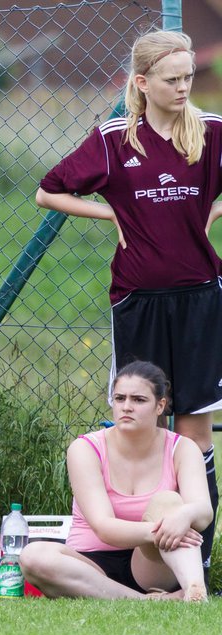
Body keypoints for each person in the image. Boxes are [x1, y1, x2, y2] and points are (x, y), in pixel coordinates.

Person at [36, 29, 222, 571]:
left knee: (192, 427)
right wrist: (111, 213)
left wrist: (210, 214)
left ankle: (198, 564)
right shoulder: (114, 139)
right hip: (137, 300)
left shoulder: (211, 132)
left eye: (189, 76)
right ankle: (145, 562)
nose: (185, 86)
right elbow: (48, 190)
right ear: (142, 83)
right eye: (172, 79)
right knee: (145, 424)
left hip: (200, 300)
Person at [21, 362, 209, 600]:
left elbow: (203, 510)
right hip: (89, 566)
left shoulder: (182, 448)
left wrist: (184, 516)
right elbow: (103, 527)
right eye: (119, 398)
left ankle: (194, 590)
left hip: (150, 565)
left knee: (170, 502)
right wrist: (161, 530)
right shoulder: (85, 448)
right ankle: (146, 601)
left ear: (160, 405)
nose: (126, 407)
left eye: (139, 400)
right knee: (33, 556)